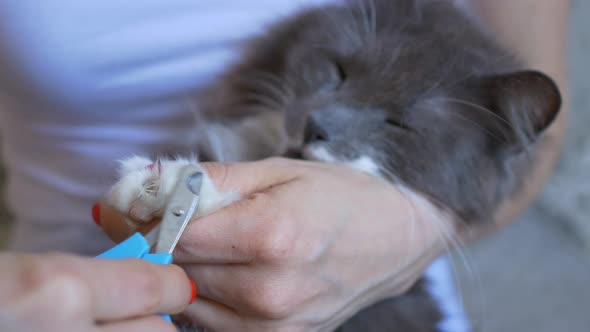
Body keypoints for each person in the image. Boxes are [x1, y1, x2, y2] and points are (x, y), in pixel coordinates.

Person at [0, 0, 569, 331]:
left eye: (396, 124)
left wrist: (412, 237)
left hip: (391, 284)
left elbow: (540, 141)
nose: (327, 118)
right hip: (67, 287)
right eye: (336, 78)